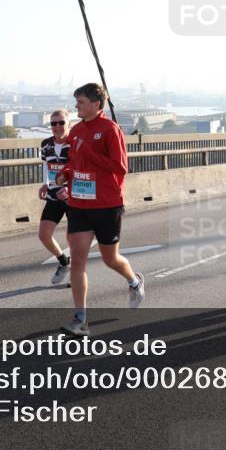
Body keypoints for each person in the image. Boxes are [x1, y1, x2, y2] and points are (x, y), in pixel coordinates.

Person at [55, 83, 142, 336]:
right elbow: (75, 163)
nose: (76, 106)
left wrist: (88, 151)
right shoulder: (77, 131)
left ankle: (134, 281)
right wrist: (64, 174)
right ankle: (81, 318)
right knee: (78, 260)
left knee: (110, 259)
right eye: (76, 102)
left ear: (96, 104)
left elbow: (120, 168)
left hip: (107, 204)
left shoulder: (110, 130)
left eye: (81, 102)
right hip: (79, 204)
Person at [38, 109, 72, 285]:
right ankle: (63, 262)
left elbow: (83, 170)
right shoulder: (46, 144)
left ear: (69, 124)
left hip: (73, 198)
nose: (57, 127)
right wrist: (45, 183)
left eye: (61, 123)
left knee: (73, 238)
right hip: (53, 196)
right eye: (53, 123)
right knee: (44, 235)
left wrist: (69, 189)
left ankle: (78, 275)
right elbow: (46, 165)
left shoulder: (76, 144)